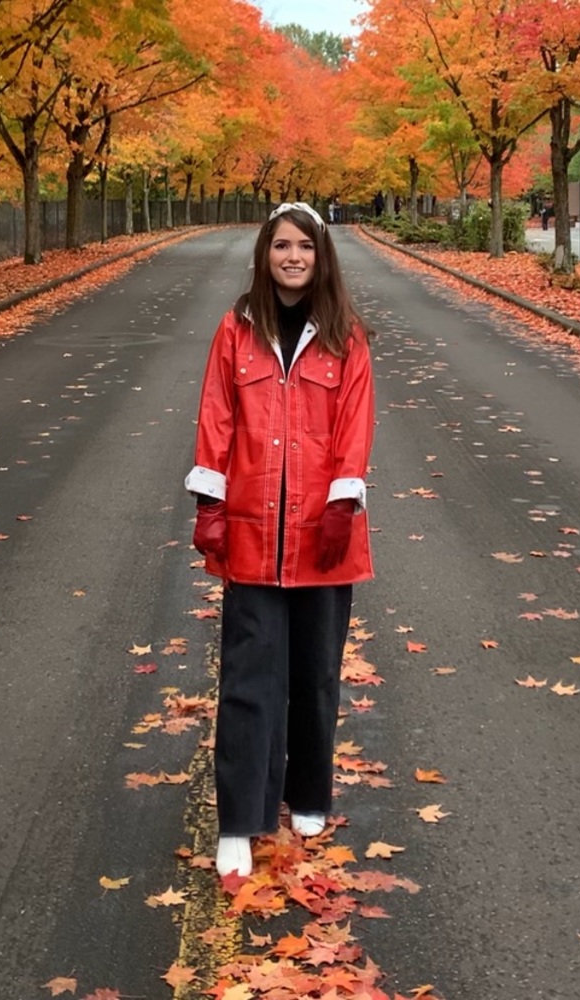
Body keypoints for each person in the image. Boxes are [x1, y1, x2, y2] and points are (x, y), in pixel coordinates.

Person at [185, 202, 376, 878]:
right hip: (252, 532)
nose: (293, 257)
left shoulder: (346, 337)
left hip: (324, 536)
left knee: (315, 675)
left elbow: (355, 426)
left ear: (322, 256)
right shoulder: (236, 330)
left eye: (305, 247)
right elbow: (216, 416)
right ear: (265, 254)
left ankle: (310, 793)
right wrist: (210, 501)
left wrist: (342, 503)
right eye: (281, 246)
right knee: (248, 679)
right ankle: (241, 819)